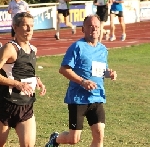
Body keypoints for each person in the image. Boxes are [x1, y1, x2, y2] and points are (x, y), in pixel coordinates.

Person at [45, 14, 117, 147]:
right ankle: (55, 139)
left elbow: (101, 70)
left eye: (96, 26)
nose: (93, 29)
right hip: (78, 99)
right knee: (73, 139)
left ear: (100, 28)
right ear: (83, 29)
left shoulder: (103, 49)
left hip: (97, 97)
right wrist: (83, 82)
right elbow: (64, 69)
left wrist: (109, 73)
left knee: (99, 135)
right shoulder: (77, 47)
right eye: (90, 26)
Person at [0, 12, 46, 147]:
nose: (30, 29)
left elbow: (24, 71)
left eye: (31, 26)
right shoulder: (10, 48)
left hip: (26, 106)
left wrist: (37, 80)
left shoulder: (33, 49)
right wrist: (17, 84)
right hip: (5, 105)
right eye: (25, 26)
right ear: (15, 27)